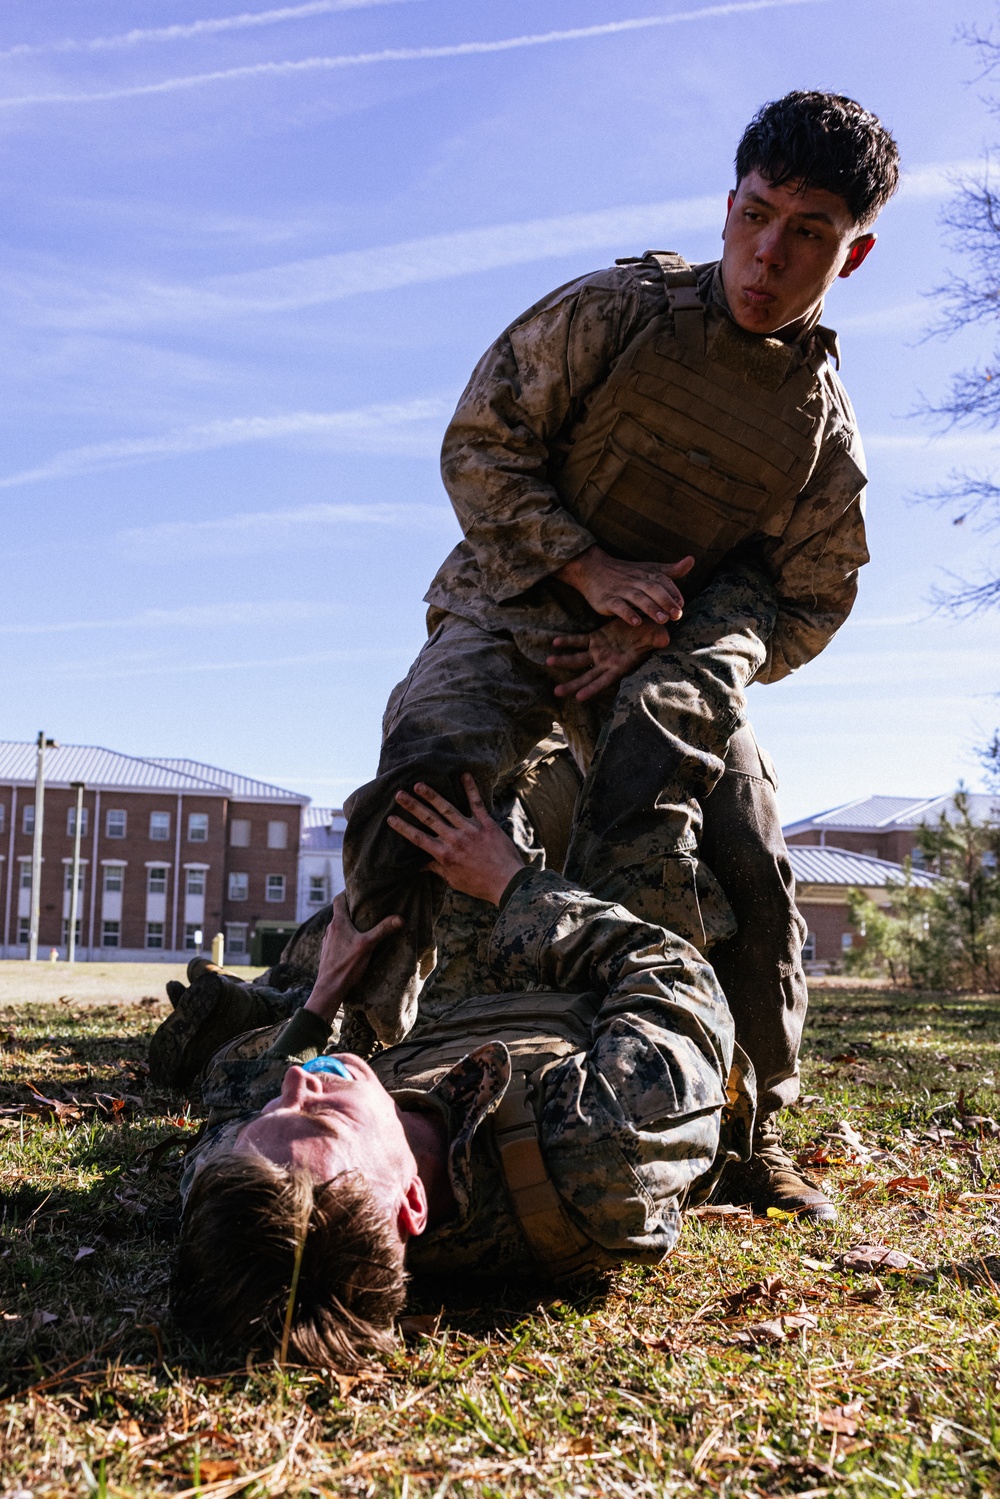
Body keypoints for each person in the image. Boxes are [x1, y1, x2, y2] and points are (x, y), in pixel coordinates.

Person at [326, 92, 901, 1219]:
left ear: (856, 251)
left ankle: (742, 1126)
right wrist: (587, 575)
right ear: (726, 204)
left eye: (808, 234)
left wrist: (671, 646)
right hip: (511, 612)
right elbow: (480, 446)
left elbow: (813, 600)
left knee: (748, 851)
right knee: (420, 781)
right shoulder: (613, 313)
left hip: (664, 660)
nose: (767, 257)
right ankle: (342, 1068)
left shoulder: (820, 431)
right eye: (755, 214)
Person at [171, 776, 754, 1370]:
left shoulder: (260, 1192)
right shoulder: (598, 1136)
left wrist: (322, 1000)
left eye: (274, 1113)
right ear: (412, 1204)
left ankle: (275, 993)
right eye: (319, 1119)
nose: (296, 1085)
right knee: (650, 770)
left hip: (459, 1003)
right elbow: (677, 979)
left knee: (439, 798)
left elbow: (230, 1101)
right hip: (598, 966)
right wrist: (515, 884)